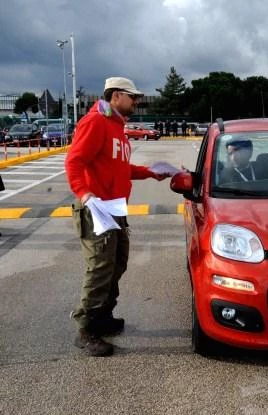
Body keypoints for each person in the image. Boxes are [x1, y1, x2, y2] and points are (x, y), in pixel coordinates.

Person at [65, 76, 167, 357]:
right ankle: (86, 330)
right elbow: (74, 161)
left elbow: (120, 167)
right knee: (99, 268)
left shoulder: (116, 126)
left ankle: (103, 317)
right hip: (97, 210)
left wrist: (151, 172)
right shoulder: (95, 122)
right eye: (132, 97)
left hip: (115, 209)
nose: (136, 102)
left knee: (117, 264)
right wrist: (85, 195)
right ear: (116, 96)